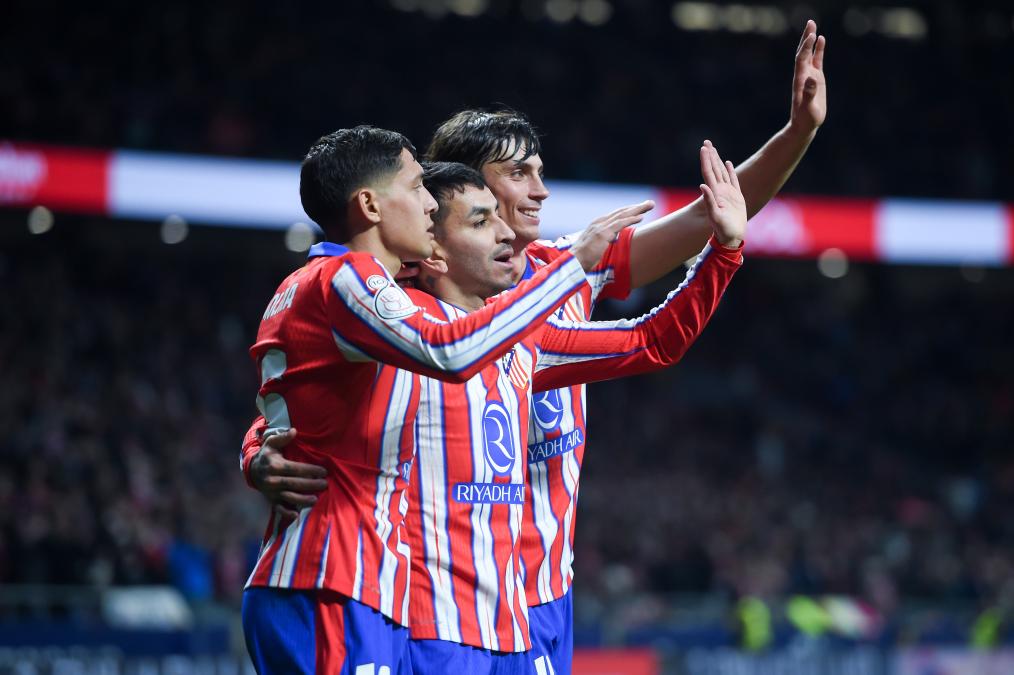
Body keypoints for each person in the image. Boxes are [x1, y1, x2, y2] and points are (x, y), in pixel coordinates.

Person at [249, 20, 828, 673]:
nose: (539, 191)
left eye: (540, 171)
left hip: (543, 595)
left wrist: (797, 134)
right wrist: (259, 448)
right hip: (426, 599)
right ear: (462, 190)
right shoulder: (408, 298)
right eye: (518, 173)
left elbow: (704, 227)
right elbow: (316, 382)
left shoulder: (565, 270)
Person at [241, 125, 650, 674]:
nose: (428, 204)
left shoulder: (357, 290)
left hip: (394, 588)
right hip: (351, 580)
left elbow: (298, 394)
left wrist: (255, 451)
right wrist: (569, 269)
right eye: (418, 190)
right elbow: (450, 350)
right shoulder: (360, 283)